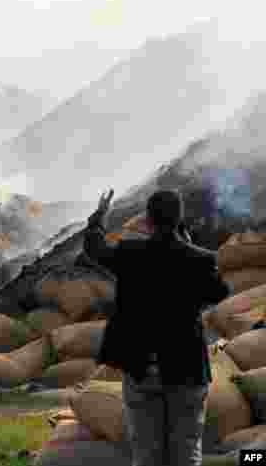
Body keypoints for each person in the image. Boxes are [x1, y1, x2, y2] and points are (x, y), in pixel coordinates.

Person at [83, 188, 231, 466]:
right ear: (179, 219)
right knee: (186, 453)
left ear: (148, 220)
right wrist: (191, 249)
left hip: (141, 367)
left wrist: (98, 218)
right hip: (186, 367)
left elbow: (95, 249)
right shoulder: (200, 259)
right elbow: (220, 292)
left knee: (146, 454)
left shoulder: (130, 253)